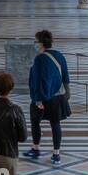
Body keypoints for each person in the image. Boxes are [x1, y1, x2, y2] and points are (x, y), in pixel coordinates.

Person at [24, 29, 70, 166]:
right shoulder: (59, 55)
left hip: (43, 98)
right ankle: (56, 154)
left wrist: (37, 100)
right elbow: (65, 75)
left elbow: (36, 81)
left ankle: (36, 148)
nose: (35, 44)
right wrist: (67, 93)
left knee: (35, 121)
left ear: (41, 43)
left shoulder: (39, 59)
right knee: (55, 124)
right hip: (58, 97)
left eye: (36, 41)